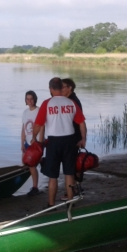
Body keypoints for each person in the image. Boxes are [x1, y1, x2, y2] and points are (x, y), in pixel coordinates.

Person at [32, 77, 87, 207]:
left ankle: (51, 204)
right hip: (70, 141)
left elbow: (38, 124)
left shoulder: (47, 104)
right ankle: (70, 202)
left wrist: (33, 137)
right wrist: (83, 139)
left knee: (53, 176)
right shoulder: (71, 103)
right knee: (69, 173)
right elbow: (81, 123)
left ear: (50, 89)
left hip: (54, 142)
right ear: (61, 88)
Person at [21, 90, 44, 197]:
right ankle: (42, 161)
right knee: (25, 163)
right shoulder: (25, 112)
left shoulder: (39, 111)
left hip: (35, 143)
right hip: (27, 143)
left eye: (31, 98)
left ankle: (35, 187)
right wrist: (22, 143)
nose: (29, 101)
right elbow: (23, 128)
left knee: (32, 166)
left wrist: (39, 142)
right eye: (27, 99)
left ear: (35, 99)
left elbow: (42, 126)